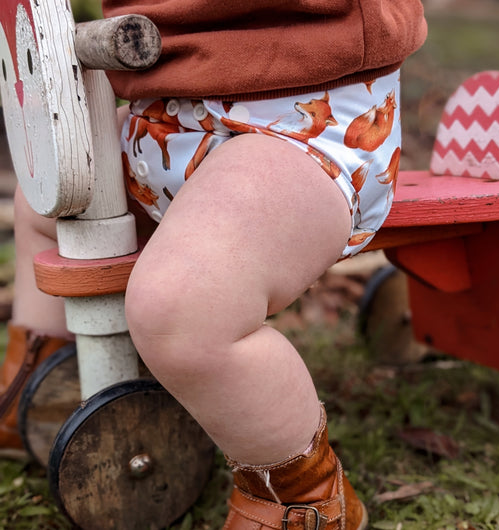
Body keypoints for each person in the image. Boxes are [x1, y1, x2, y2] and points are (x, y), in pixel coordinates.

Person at [1, 2, 427, 527]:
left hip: (299, 114)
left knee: (182, 307)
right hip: (157, 110)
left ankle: (302, 492)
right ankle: (45, 380)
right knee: (46, 198)